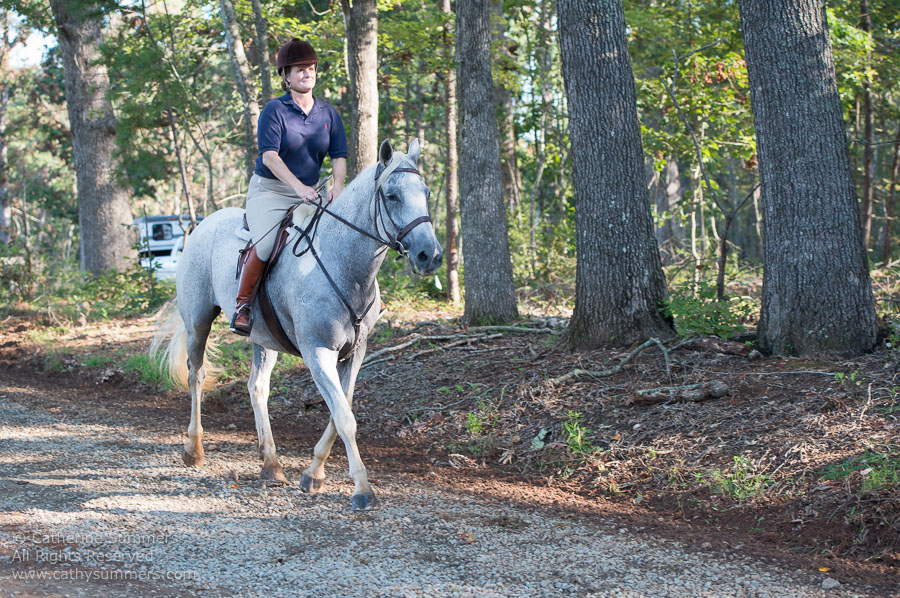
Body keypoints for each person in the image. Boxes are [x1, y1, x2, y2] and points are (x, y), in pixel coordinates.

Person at [230, 38, 348, 336]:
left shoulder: (328, 114)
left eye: (310, 68)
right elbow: (270, 157)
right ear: (286, 76)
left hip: (311, 191)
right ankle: (243, 306)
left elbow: (339, 155)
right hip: (271, 190)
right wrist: (298, 188)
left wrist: (338, 186)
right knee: (268, 243)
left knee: (341, 234)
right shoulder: (275, 110)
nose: (307, 73)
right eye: (299, 70)